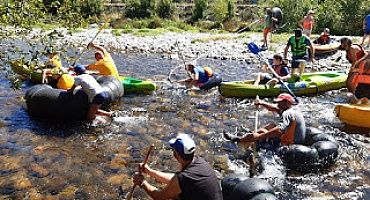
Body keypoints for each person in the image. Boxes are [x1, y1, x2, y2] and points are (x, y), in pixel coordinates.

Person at [133, 134, 223, 200]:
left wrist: (142, 183)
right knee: (176, 194)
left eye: (174, 150)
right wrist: (150, 172)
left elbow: (159, 197)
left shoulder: (184, 177)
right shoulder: (199, 162)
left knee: (173, 196)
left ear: (177, 155)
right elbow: (175, 180)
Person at [223, 93, 306, 146]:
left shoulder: (287, 113)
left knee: (263, 132)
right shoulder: (291, 110)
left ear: (287, 103)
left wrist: (260, 136)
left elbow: (279, 130)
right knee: (271, 125)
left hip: (291, 143)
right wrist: (261, 102)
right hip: (297, 139)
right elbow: (274, 108)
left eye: (280, 102)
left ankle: (238, 139)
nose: (278, 104)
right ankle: (251, 136)